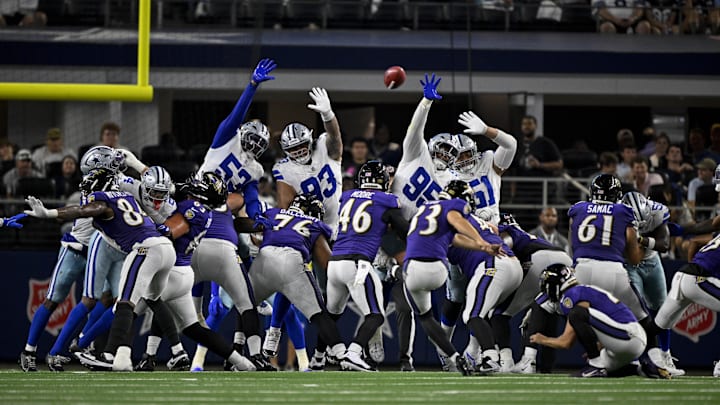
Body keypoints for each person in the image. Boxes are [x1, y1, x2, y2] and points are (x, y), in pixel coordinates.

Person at [22, 168, 175, 371]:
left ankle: (88, 349)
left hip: (138, 250)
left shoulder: (103, 200)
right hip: (162, 249)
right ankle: (40, 350)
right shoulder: (128, 196)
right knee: (145, 300)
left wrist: (49, 213)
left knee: (122, 303)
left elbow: (82, 210)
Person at [188, 58, 277, 372]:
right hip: (196, 208)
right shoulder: (225, 138)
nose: (253, 146)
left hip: (221, 216)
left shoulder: (254, 168)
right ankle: (204, 303)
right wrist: (252, 86)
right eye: (251, 138)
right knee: (185, 271)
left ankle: (233, 302)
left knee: (242, 252)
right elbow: (237, 114)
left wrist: (259, 219)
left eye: (259, 143)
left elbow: (251, 199)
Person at [568, 174, 669, 378]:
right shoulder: (623, 211)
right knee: (644, 320)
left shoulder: (578, 208)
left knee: (580, 315)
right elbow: (633, 258)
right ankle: (651, 361)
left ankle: (596, 361)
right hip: (613, 271)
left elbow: (573, 242)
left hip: (582, 270)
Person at [403, 180, 504, 376]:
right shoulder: (452, 206)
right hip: (438, 270)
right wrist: (481, 243)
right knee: (457, 298)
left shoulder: (424, 207)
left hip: (413, 268)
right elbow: (456, 224)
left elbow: (451, 232)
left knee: (425, 317)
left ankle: (449, 356)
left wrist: (481, 244)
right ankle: (455, 357)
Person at [238, 193, 351, 368]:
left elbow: (243, 225)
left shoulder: (273, 213)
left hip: (265, 259)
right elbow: (328, 258)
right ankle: (342, 353)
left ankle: (249, 353)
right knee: (319, 315)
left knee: (247, 306)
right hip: (292, 260)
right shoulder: (316, 224)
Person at [324, 161, 409, 371]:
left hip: (334, 262)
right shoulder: (387, 201)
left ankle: (319, 356)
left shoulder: (347, 196)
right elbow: (404, 230)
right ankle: (353, 352)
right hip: (357, 263)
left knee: (332, 315)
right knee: (376, 315)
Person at [530, 265, 661, 378]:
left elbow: (566, 342)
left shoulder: (571, 294)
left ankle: (595, 365)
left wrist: (542, 339)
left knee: (577, 314)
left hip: (628, 335)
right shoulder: (582, 290)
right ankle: (642, 369)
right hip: (630, 339)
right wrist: (599, 345)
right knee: (605, 371)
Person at [497, 213, 573, 374]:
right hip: (565, 260)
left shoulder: (505, 230)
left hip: (539, 260)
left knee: (499, 314)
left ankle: (510, 361)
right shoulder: (527, 234)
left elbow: (505, 245)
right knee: (548, 309)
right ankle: (545, 365)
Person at [447, 213, 522, 374]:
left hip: (492, 264)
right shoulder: (475, 219)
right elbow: (495, 230)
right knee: (489, 313)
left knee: (472, 314)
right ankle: (484, 355)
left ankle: (490, 358)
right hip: (513, 265)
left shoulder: (448, 224)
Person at [650, 206, 720, 377]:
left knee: (657, 326)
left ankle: (623, 353)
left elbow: (695, 241)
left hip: (682, 275)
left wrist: (692, 269)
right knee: (658, 326)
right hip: (697, 278)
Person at [621, 191, 683, 376]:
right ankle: (636, 357)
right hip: (630, 264)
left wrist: (639, 239)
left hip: (652, 261)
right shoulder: (618, 213)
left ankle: (665, 355)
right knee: (636, 310)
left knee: (662, 308)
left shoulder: (658, 212)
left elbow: (664, 245)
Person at [514, 115, 563, 204]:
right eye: (524, 124)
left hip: (542, 191)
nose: (526, 126)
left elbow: (559, 164)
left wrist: (540, 165)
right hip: (522, 192)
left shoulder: (545, 143)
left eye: (529, 124)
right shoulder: (517, 144)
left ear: (535, 126)